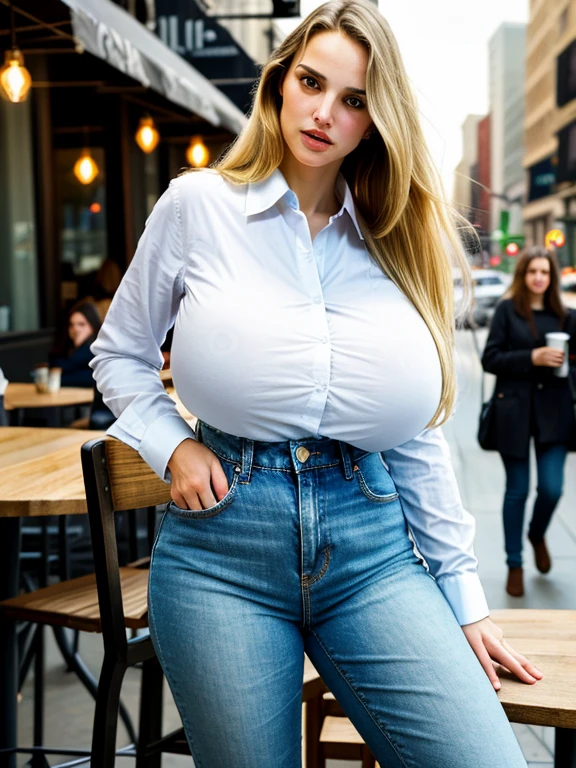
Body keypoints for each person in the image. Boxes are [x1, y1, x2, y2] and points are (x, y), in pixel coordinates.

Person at [90, 3, 541, 765]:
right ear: (279, 84)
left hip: (372, 550)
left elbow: (416, 433)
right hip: (222, 552)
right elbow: (120, 353)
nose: (325, 113)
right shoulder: (199, 206)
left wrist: (464, 600)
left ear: (376, 120)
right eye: (311, 82)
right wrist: (171, 445)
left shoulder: (398, 238)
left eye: (355, 99)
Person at [482, 246, 576, 598]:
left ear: (552, 278)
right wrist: (532, 357)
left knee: (552, 489)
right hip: (515, 414)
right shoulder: (508, 311)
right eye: (532, 271)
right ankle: (515, 562)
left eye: (545, 272)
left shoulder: (567, 316)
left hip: (556, 412)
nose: (538, 277)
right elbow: (490, 358)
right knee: (517, 490)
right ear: (523, 276)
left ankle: (537, 534)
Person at [49, 300, 102, 387]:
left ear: (93, 326)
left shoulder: (96, 351)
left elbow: (94, 378)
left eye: (81, 324)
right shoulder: (67, 349)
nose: (75, 329)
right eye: (71, 325)